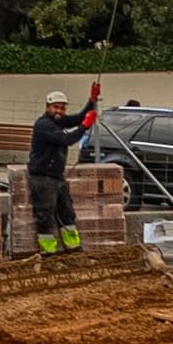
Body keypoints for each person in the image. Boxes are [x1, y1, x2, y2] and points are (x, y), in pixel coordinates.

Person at [26, 83, 101, 254]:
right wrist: (85, 126)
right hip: (42, 177)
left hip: (57, 176)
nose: (59, 111)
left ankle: (74, 250)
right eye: (56, 107)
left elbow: (78, 118)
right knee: (45, 216)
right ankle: (48, 254)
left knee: (67, 214)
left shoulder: (58, 121)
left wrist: (92, 101)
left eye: (62, 108)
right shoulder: (44, 124)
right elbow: (66, 139)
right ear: (48, 107)